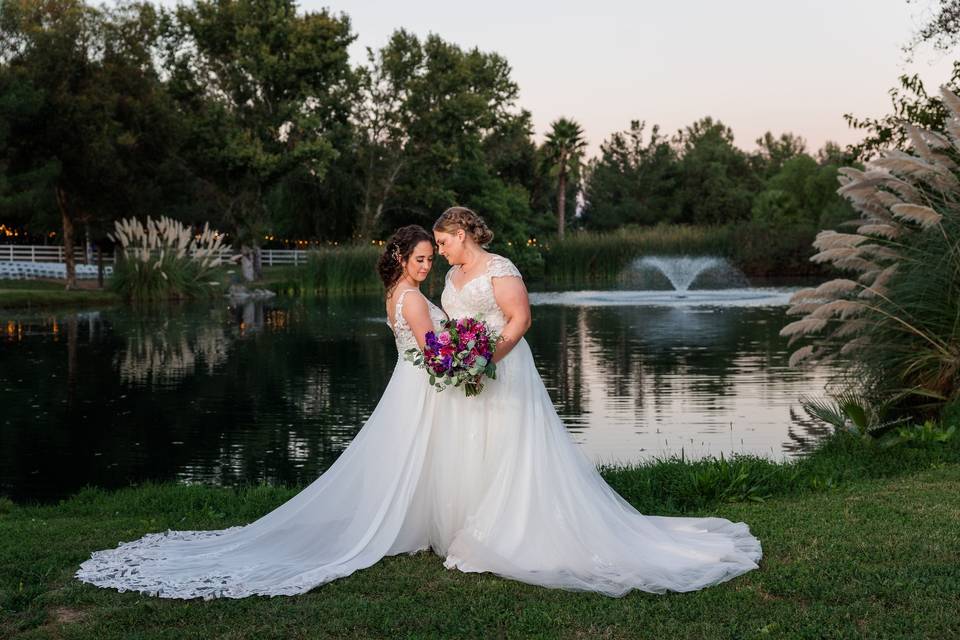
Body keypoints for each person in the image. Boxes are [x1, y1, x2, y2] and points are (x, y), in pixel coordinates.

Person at [75, 225, 448, 599]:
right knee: (414, 452)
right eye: (420, 259)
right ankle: (411, 524)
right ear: (400, 257)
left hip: (409, 383)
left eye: (430, 259)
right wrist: (462, 359)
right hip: (418, 384)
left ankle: (409, 523)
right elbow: (431, 353)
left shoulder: (395, 294)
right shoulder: (412, 299)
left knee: (409, 454)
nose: (426, 266)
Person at [426, 206, 761, 596]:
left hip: (504, 367)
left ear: (462, 234)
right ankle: (473, 523)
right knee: (472, 442)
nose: (441, 251)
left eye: (443, 242)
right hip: (469, 373)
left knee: (509, 444)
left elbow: (520, 319)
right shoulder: (452, 275)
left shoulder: (500, 269)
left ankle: (515, 529)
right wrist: (456, 356)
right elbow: (454, 322)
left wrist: (485, 360)